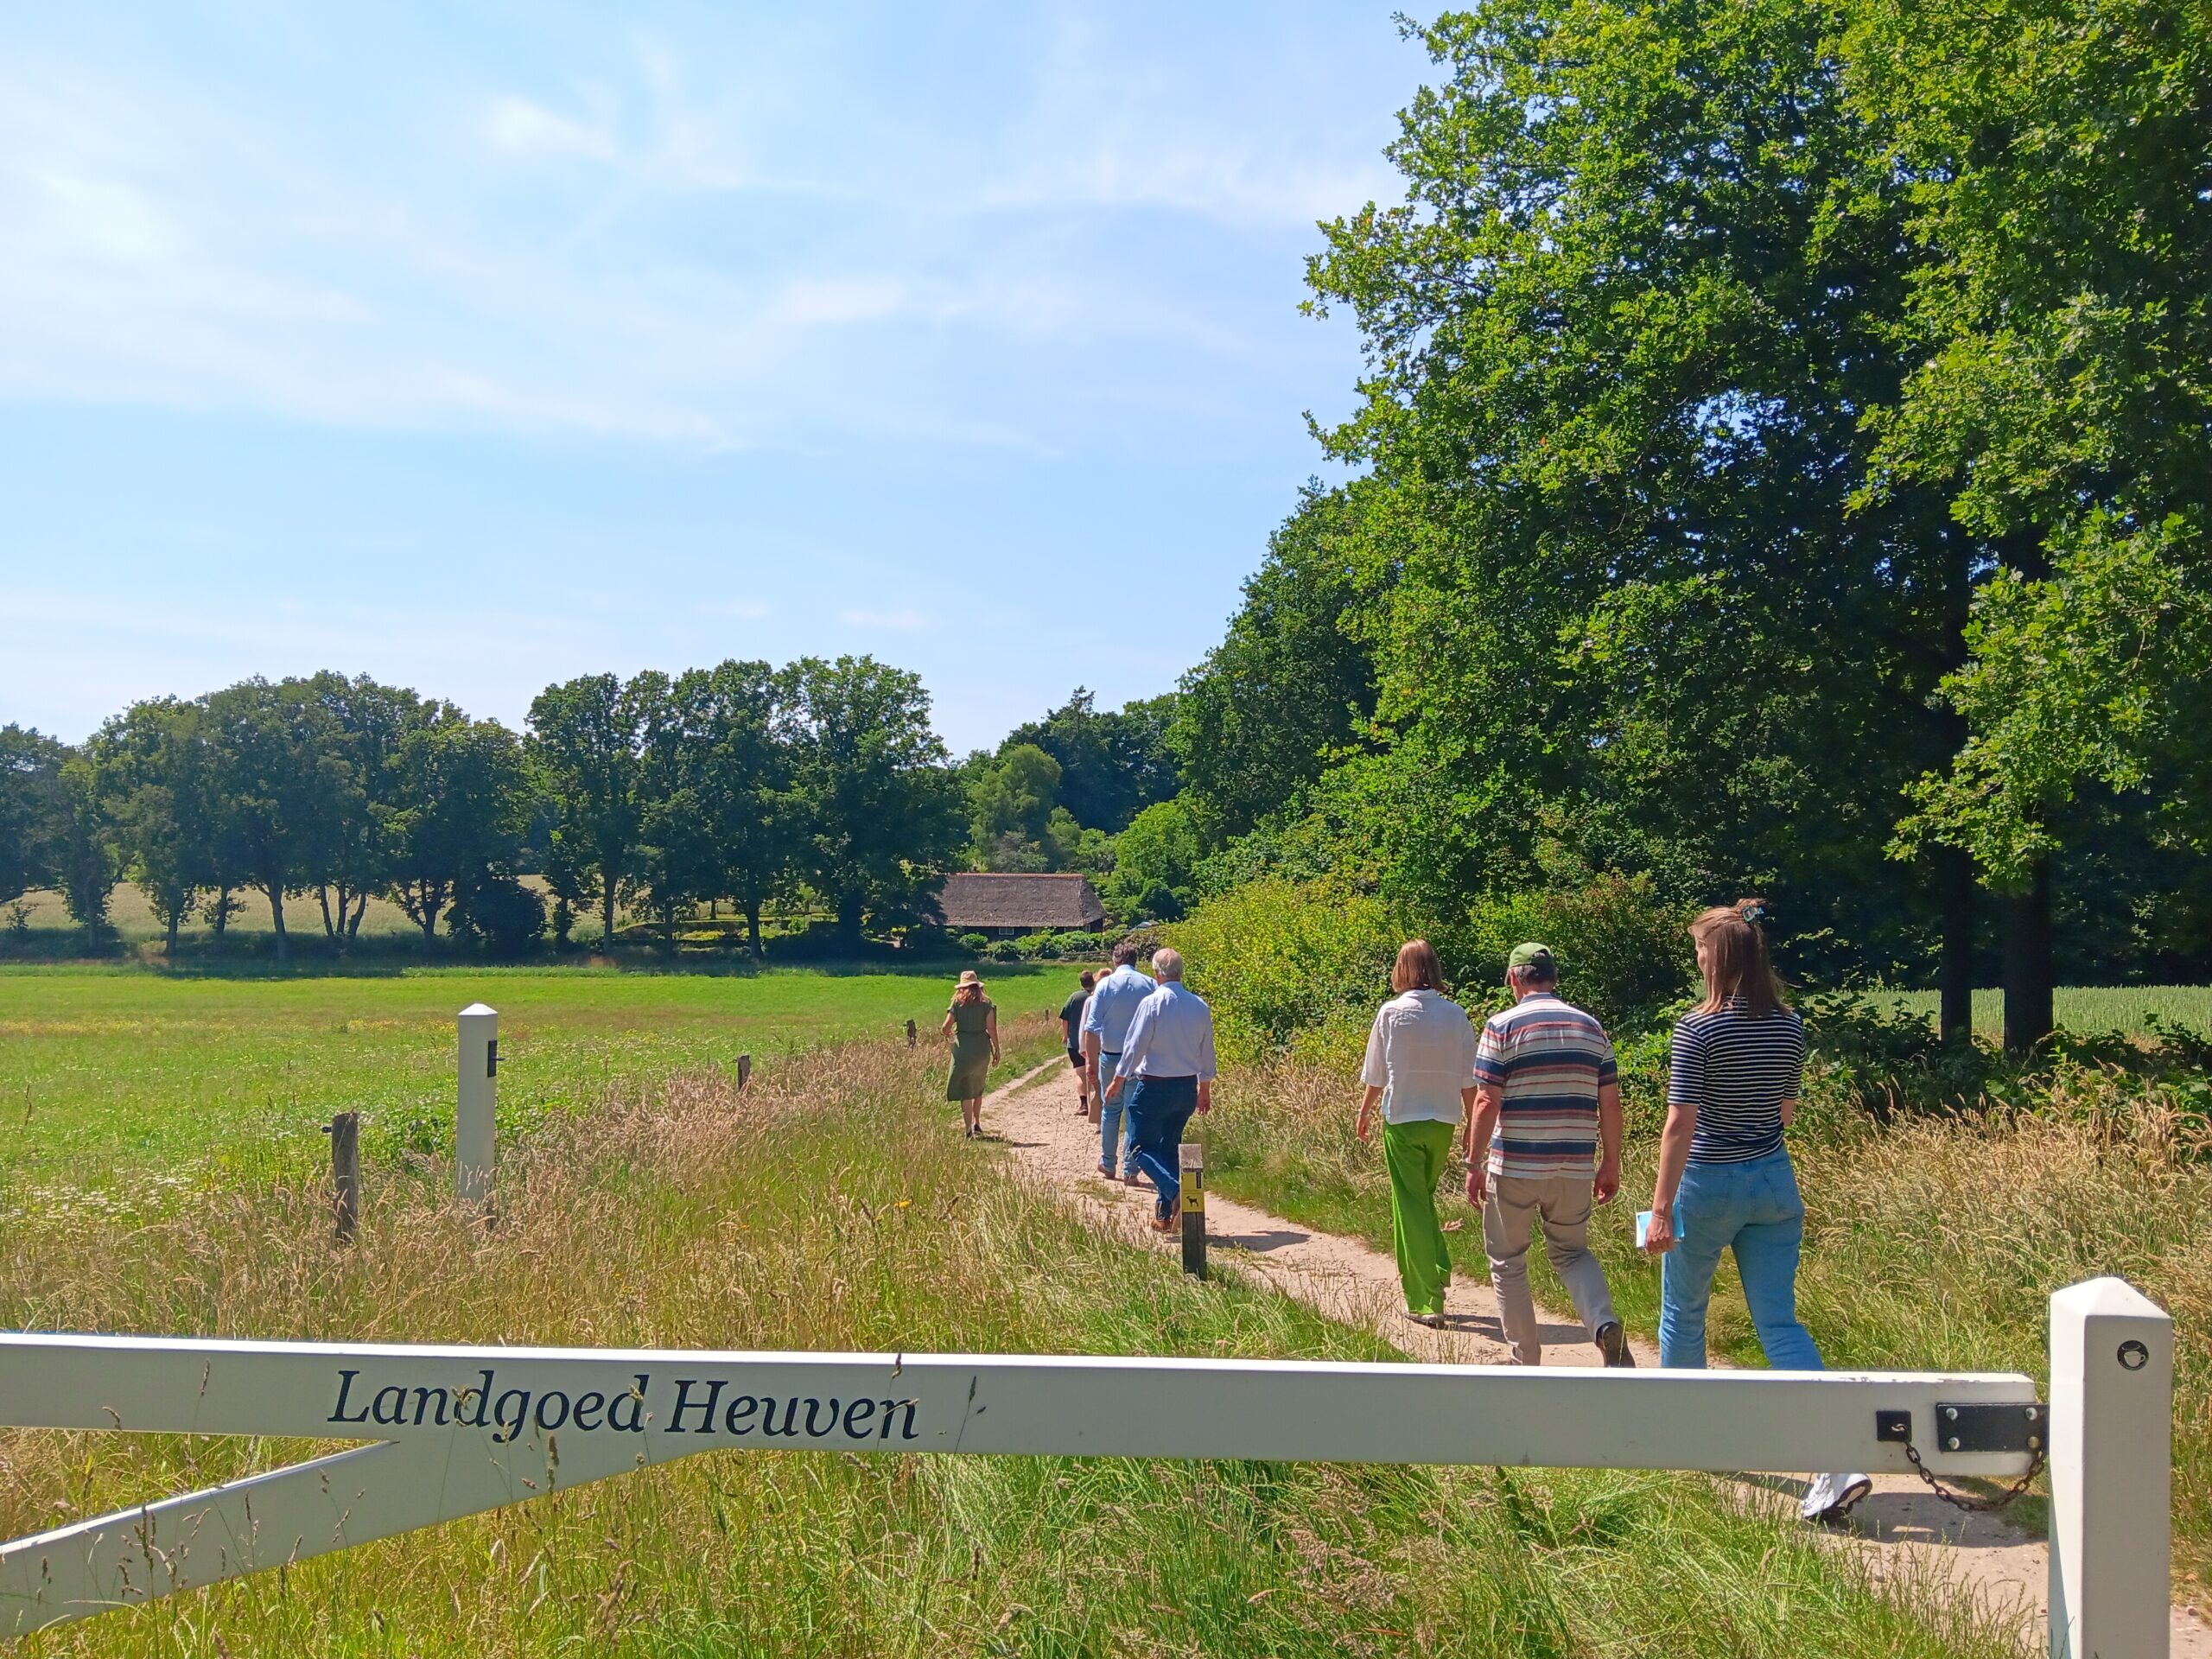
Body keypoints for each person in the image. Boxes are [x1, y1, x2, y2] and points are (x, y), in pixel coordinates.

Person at [1642, 899, 1871, 1524]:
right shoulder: (1789, 1025)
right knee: (1779, 1324)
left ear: (1718, 960)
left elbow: (1678, 1124)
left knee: (1682, 1312)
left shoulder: (1697, 1028)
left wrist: (1660, 1208)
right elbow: (1785, 1113)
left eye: (1699, 951)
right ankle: (1837, 1458)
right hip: (1773, 1181)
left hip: (1708, 1181)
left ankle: (1687, 1443)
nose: (1696, 960)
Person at [1465, 943, 1633, 1368]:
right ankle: (1603, 1323)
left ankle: (1527, 1359)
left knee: (1507, 1259)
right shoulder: (1592, 1028)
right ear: (1553, 977)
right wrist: (1610, 1162)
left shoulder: (1501, 1026)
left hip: (1515, 1165)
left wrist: (1472, 1162)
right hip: (1574, 1165)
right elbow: (1610, 1104)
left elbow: (1487, 1100)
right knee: (1572, 1252)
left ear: (1513, 979)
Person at [1355, 940, 1479, 1328]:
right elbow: (1469, 1079)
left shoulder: (1391, 1013)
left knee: (1409, 1206)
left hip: (1403, 1117)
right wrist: (1473, 1125)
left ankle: (1427, 1300)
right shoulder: (1456, 1015)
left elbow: (1376, 1073)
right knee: (1421, 1198)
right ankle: (1438, 1264)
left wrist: (1364, 1113)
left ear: (1402, 970)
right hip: (1443, 1119)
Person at [1101, 946, 1216, 1231]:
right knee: (1167, 1149)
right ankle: (1165, 1217)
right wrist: (1205, 1089)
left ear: (1156, 974)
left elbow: (1135, 1045)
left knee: (1140, 1146)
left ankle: (1178, 1193)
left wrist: (1118, 1079)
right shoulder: (1199, 1006)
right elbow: (1207, 1052)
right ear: (1181, 972)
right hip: (1186, 1089)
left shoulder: (1152, 1004)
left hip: (1154, 1086)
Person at [1081, 942, 1155, 1182]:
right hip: (1140, 1058)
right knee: (1135, 1111)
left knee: (1111, 1110)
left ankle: (1109, 1162)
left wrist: (1091, 1062)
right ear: (1136, 960)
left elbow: (1092, 1028)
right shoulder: (1149, 984)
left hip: (1111, 1055)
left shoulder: (1105, 985)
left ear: (1115, 961)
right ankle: (1131, 1169)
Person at [941, 969, 1000, 1138]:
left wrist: (950, 1035)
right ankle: (977, 1123)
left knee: (965, 1089)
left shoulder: (956, 1003)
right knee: (978, 1086)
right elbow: (991, 1028)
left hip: (963, 1047)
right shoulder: (986, 1003)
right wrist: (997, 1049)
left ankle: (967, 1129)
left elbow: (945, 1027)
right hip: (981, 1046)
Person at [1059, 970, 1097, 1115]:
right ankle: (1097, 1104)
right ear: (1093, 982)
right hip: (1094, 1042)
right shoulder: (1096, 997)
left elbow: (1065, 1018)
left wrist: (1066, 1035)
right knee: (1095, 1072)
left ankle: (1083, 1104)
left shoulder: (1074, 997)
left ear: (1080, 983)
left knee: (1080, 1073)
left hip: (1075, 1042)